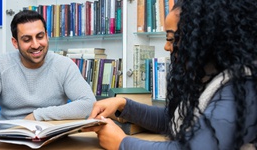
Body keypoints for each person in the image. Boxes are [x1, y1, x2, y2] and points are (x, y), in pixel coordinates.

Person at [84, 0, 257, 149]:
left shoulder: (243, 86)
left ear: (207, 39)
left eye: (172, 39)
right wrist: (123, 105)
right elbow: (175, 119)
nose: (167, 47)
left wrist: (122, 143)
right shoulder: (209, 76)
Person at [0, 10, 96, 140]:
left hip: (52, 139)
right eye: (27, 39)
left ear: (47, 36)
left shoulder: (64, 65)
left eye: (40, 36)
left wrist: (37, 115)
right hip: (9, 138)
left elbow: (89, 103)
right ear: (15, 43)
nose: (36, 45)